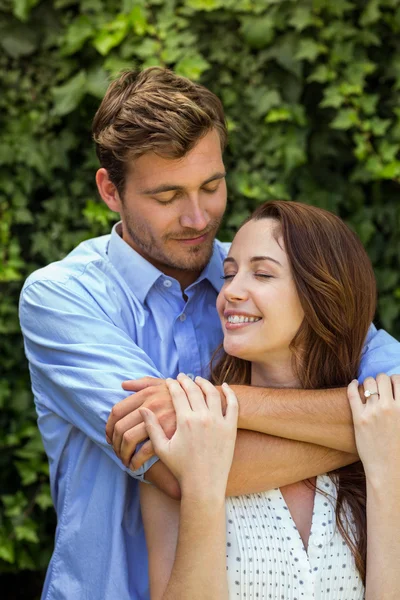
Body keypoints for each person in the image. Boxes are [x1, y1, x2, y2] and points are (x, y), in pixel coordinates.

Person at [18, 67, 400, 600]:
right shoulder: (62, 297)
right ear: (111, 190)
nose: (198, 217)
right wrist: (375, 441)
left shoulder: (258, 281)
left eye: (212, 186)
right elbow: (180, 473)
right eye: (168, 195)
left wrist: (230, 403)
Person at [137, 200, 400, 600]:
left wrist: (386, 476)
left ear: (322, 294)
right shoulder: (185, 435)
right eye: (229, 275)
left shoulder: (385, 428)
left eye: (261, 273)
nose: (230, 293)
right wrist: (204, 489)